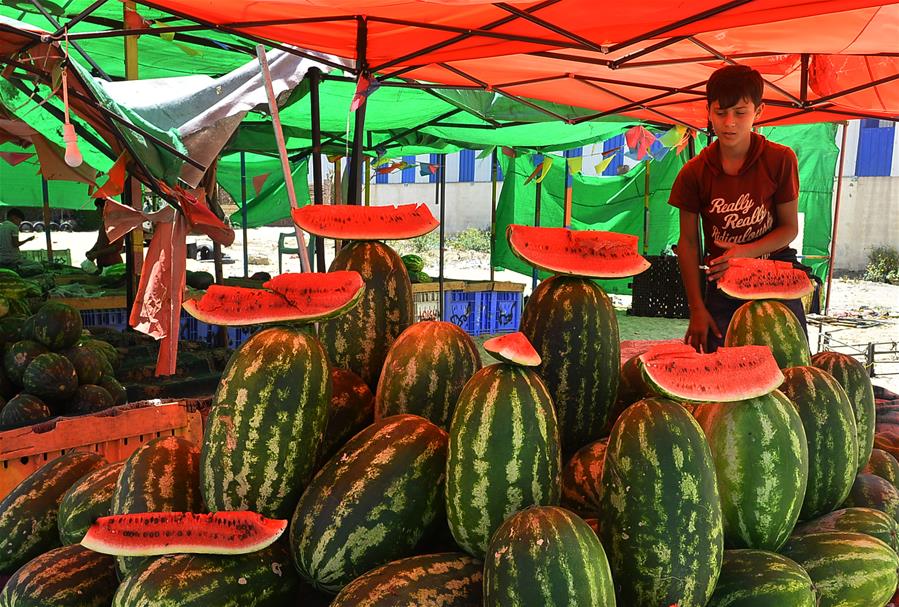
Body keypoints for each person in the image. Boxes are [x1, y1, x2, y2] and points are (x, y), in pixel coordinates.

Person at [669, 64, 808, 353]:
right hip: (721, 284)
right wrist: (697, 308)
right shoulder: (693, 173)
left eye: (740, 112)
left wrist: (743, 253)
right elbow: (689, 243)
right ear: (708, 111)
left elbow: (789, 228)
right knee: (721, 370)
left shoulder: (781, 159)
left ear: (759, 111)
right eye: (721, 112)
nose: (729, 122)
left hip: (776, 273)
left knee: (790, 367)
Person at [85, 198, 123, 272]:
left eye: (98, 208)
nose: (96, 211)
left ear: (104, 208)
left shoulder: (114, 223)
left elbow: (118, 246)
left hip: (112, 265)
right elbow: (100, 241)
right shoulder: (104, 222)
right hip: (102, 265)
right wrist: (92, 250)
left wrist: (97, 253)